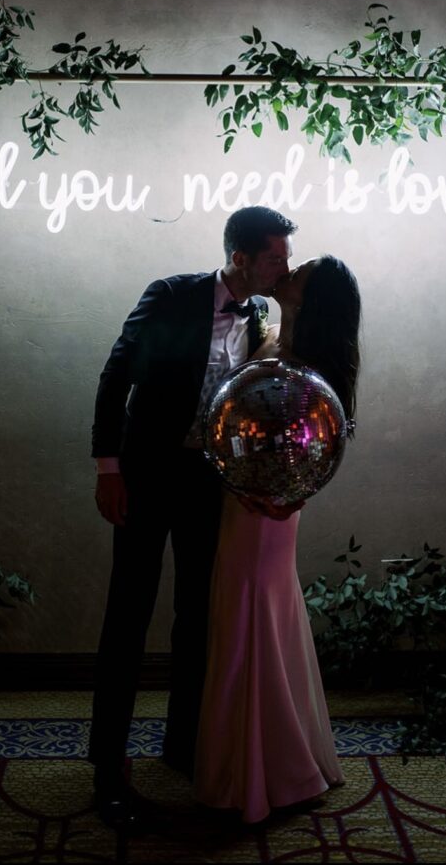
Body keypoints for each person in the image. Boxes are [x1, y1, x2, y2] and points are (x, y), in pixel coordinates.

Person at [89, 206, 298, 827]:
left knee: (197, 617)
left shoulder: (261, 314)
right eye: (273, 257)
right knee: (128, 613)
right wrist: (108, 469)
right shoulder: (171, 294)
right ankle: (107, 765)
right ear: (239, 257)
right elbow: (114, 376)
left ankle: (182, 746)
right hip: (146, 475)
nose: (282, 267)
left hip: (209, 483)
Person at [193, 255, 361, 824]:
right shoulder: (268, 336)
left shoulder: (309, 364)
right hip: (244, 499)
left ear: (311, 299)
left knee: (250, 618)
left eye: (302, 271)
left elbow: (318, 444)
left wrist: (283, 493)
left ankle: (264, 772)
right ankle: (276, 760)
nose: (290, 270)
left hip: (269, 507)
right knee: (253, 615)